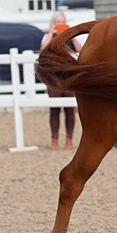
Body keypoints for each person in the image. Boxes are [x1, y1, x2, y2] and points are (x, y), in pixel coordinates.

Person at [41, 11, 81, 150]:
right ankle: (54, 139)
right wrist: (51, 34)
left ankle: (69, 139)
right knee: (54, 109)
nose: (61, 24)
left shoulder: (70, 38)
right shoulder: (48, 36)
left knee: (70, 110)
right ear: (53, 23)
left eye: (63, 22)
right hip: (53, 78)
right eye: (59, 22)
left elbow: (81, 50)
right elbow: (43, 51)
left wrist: (72, 35)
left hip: (68, 78)